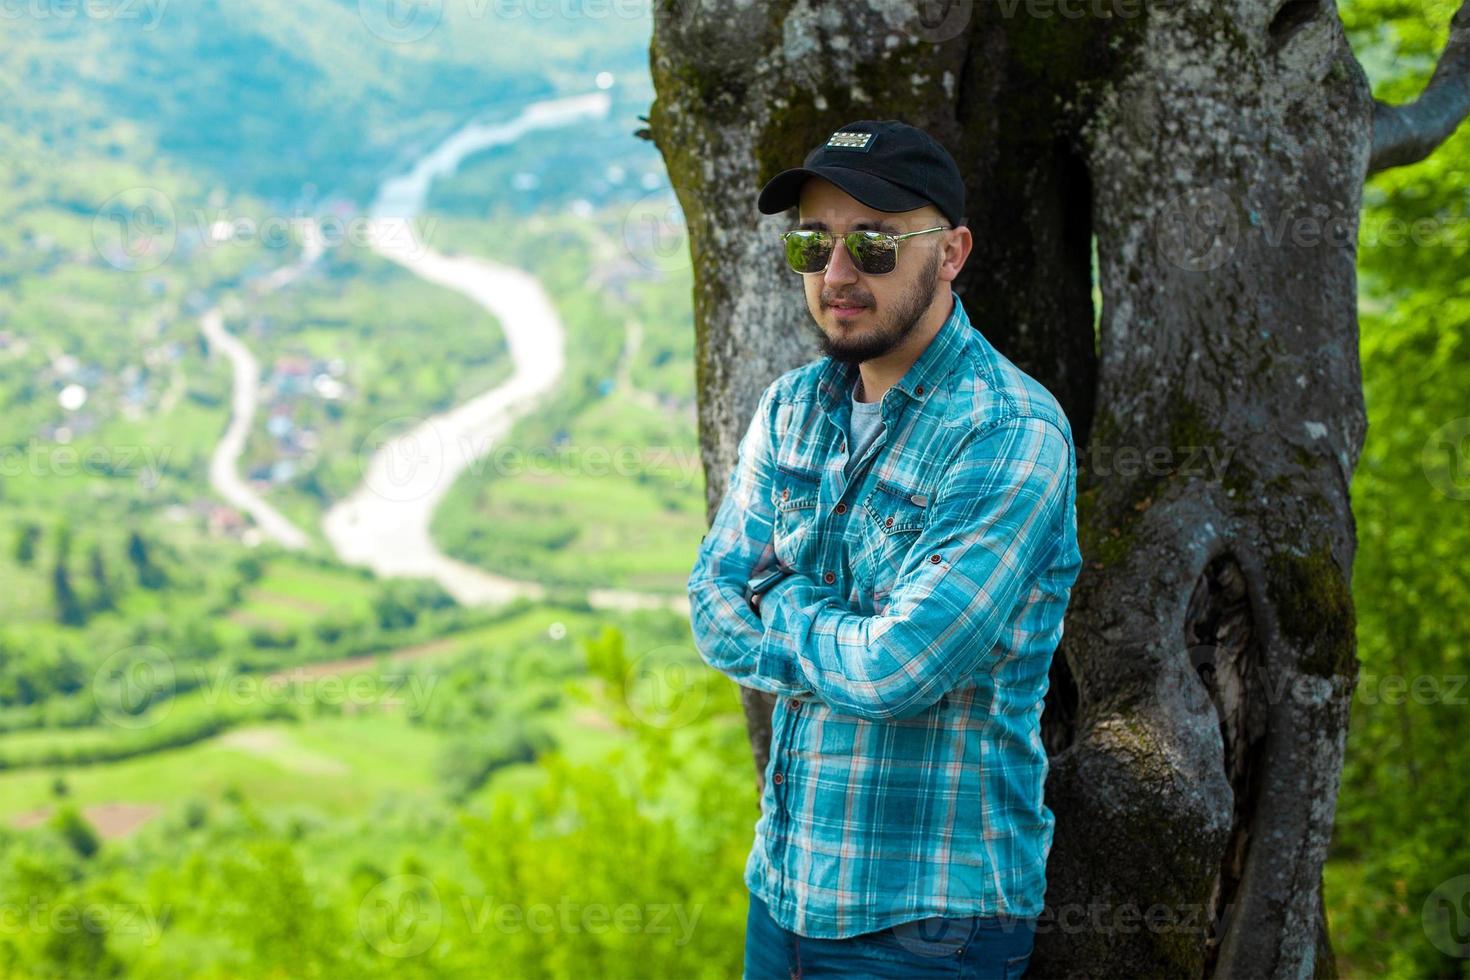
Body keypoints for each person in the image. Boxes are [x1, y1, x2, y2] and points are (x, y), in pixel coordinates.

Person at [686, 119, 1083, 978]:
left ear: (950, 253)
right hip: (783, 892)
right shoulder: (793, 407)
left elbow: (900, 668)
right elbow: (712, 608)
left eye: (873, 244)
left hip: (927, 925)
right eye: (813, 242)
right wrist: (843, 633)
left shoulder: (1008, 431)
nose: (836, 275)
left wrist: (783, 599)